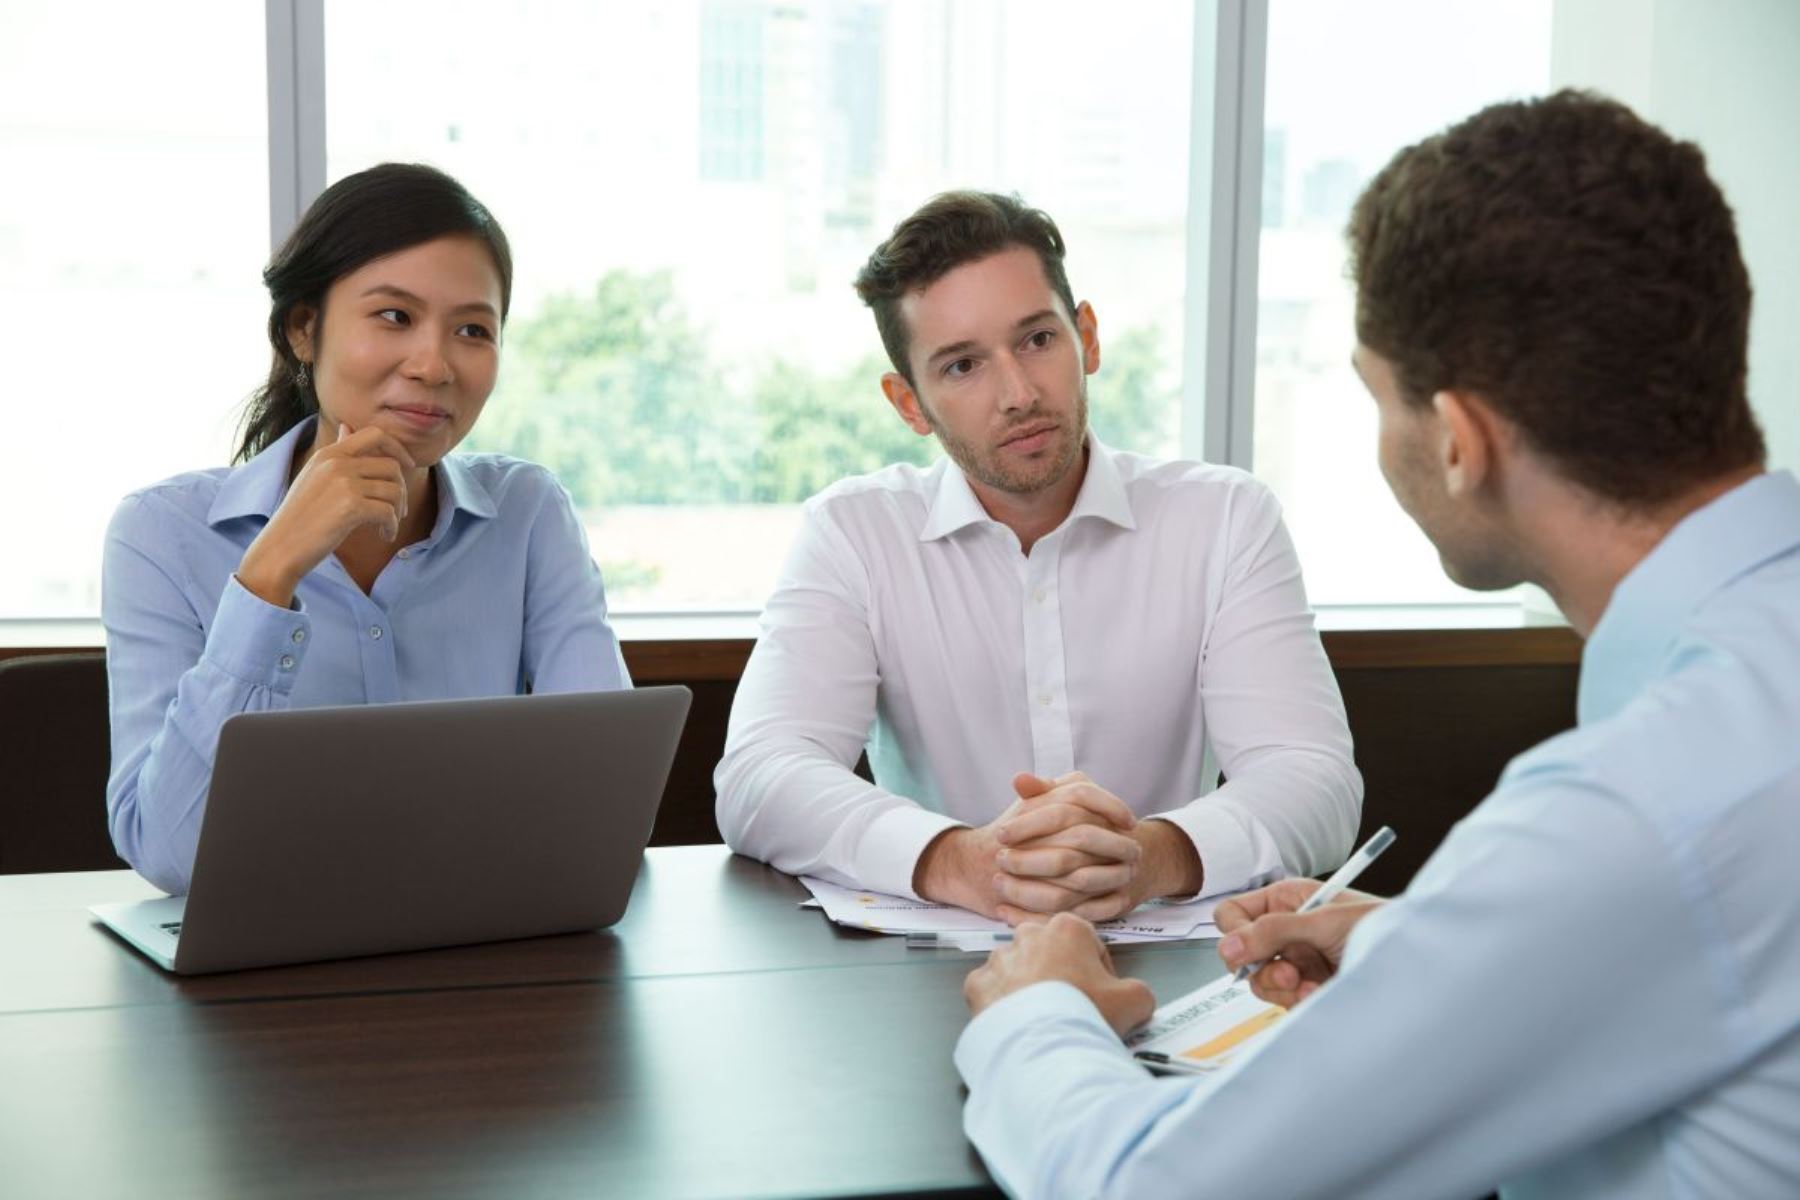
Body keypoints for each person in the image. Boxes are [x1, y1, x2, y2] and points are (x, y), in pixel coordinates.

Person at [954, 90, 1800, 1198]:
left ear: (1459, 441)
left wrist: (1037, 1012)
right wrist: (1437, 948)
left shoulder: (1638, 809)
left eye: (1377, 399)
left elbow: (1145, 1189)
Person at [716, 191, 1361, 923]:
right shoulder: (852, 534)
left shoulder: (1226, 520)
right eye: (962, 367)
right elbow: (760, 778)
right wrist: (962, 863)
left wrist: (1147, 857)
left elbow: (1316, 781)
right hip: (928, 980)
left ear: (1085, 336)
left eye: (1037, 341)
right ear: (909, 403)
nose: (1019, 394)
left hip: (1185, 961)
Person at [104, 163, 629, 895]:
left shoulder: (528, 514)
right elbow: (171, 856)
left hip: (486, 945)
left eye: (473, 329)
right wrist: (272, 570)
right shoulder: (161, 534)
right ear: (302, 330)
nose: (433, 364)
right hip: (257, 976)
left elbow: (604, 807)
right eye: (394, 316)